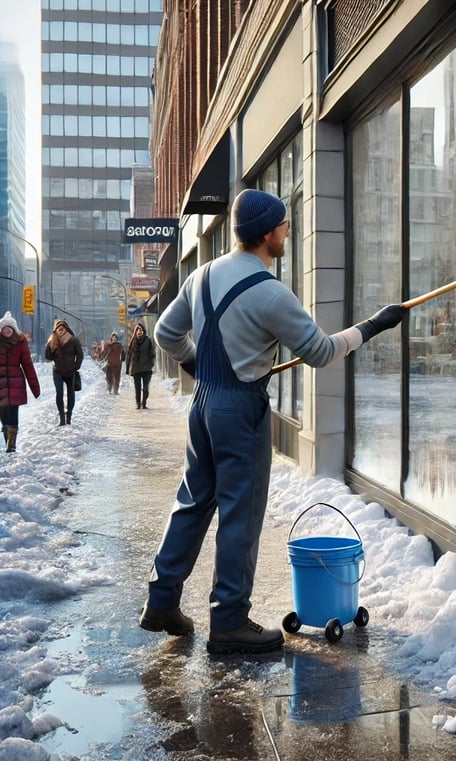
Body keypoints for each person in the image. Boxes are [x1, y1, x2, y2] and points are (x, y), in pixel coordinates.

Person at [139, 188, 406, 654]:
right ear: (267, 234)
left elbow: (166, 333)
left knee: (193, 502)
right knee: (241, 512)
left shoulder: (201, 275)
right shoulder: (270, 293)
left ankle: (161, 601)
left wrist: (198, 366)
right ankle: (229, 622)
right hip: (240, 409)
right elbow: (320, 351)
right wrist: (372, 326)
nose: (288, 232)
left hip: (203, 405)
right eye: (284, 226)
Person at [0, 311, 41, 452]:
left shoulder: (20, 342)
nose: (6, 330)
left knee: (12, 413)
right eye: (4, 328)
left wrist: (35, 387)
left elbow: (27, 364)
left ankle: (11, 445)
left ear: (13, 329)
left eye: (9, 328)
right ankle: (7, 436)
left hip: (15, 382)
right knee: (3, 415)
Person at [45, 319, 84, 426]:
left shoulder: (73, 340)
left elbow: (80, 354)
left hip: (70, 372)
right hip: (57, 371)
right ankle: (62, 417)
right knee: (59, 393)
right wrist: (48, 345)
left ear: (66, 328)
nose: (60, 330)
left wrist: (76, 366)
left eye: (62, 328)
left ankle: (69, 415)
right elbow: (48, 357)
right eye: (58, 328)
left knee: (71, 393)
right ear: (55, 330)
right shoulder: (53, 340)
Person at [126, 323, 155, 409]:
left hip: (146, 368)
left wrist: (151, 364)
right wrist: (128, 368)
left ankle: (144, 403)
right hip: (136, 369)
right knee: (137, 388)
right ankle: (138, 404)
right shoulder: (133, 342)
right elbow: (129, 356)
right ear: (135, 332)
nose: (139, 332)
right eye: (138, 331)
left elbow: (152, 353)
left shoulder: (148, 340)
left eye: (141, 330)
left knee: (145, 388)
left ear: (143, 331)